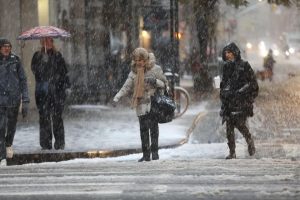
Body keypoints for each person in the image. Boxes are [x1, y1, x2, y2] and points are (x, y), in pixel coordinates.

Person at [113, 47, 168, 162]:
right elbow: (126, 87)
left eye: (141, 60)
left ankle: (155, 153)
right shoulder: (133, 72)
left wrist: (155, 81)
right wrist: (118, 96)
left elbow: (164, 84)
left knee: (153, 129)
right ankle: (146, 154)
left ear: (146, 59)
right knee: (143, 130)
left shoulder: (155, 69)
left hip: (153, 103)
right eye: (136, 60)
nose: (139, 63)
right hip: (140, 104)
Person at [220, 42, 259, 159]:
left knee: (240, 124)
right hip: (229, 101)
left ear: (235, 53)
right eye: (226, 53)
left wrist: (241, 93)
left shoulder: (244, 65)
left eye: (230, 52)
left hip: (241, 101)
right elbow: (225, 82)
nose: (228, 55)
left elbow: (252, 83)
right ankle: (232, 152)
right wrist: (221, 89)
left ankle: (249, 141)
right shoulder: (226, 67)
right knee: (229, 127)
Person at [31, 37, 70, 150]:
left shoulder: (58, 56)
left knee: (57, 118)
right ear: (42, 42)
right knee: (44, 118)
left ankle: (59, 143)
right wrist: (43, 62)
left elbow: (64, 72)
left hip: (57, 92)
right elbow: (35, 71)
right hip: (43, 93)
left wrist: (66, 86)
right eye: (46, 41)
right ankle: (45, 143)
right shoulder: (37, 56)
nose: (48, 43)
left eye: (50, 41)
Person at [0, 38, 30, 166]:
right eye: (4, 46)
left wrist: (26, 100)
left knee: (11, 127)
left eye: (9, 46)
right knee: (1, 127)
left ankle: (8, 144)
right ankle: (2, 157)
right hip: (1, 100)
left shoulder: (15, 60)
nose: (7, 48)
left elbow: (23, 80)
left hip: (14, 100)